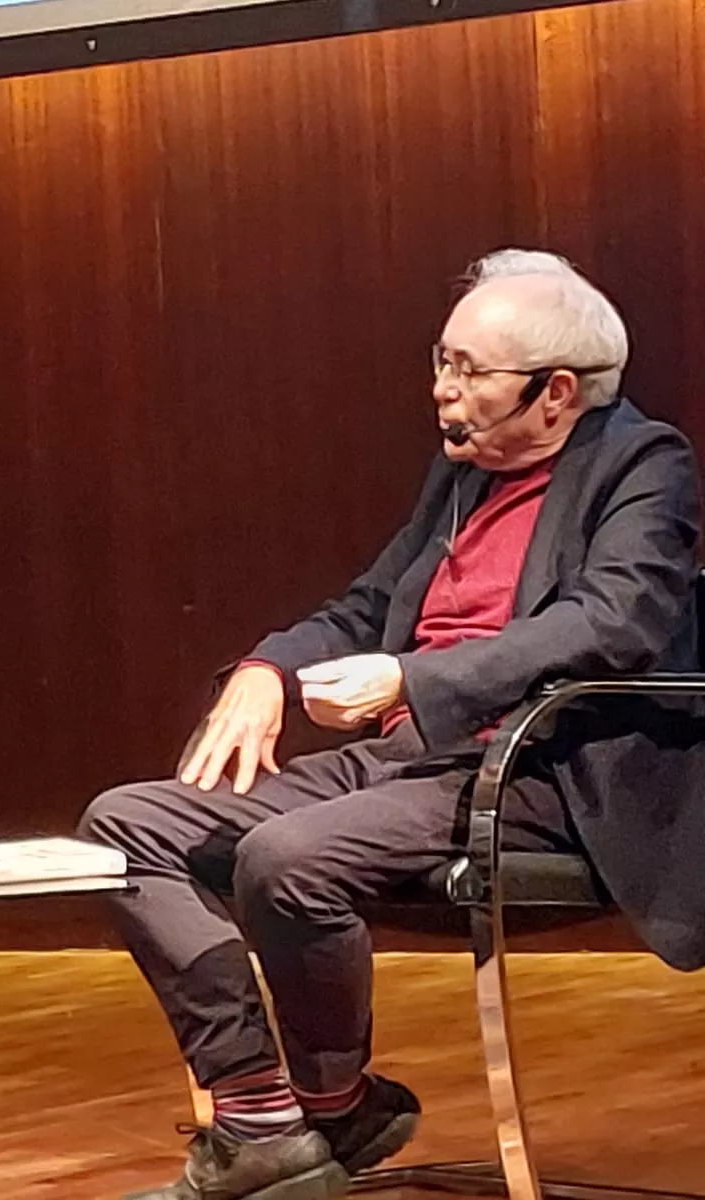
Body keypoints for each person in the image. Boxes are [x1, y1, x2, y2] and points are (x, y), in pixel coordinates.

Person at [80, 250, 702, 1200]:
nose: (442, 392)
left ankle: (331, 1105)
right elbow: (370, 604)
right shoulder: (463, 477)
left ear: (556, 392)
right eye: (440, 363)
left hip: (542, 771)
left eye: (467, 371)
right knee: (125, 826)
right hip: (419, 758)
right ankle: (259, 1116)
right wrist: (266, 669)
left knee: (286, 857)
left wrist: (409, 676)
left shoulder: (644, 464)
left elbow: (615, 622)